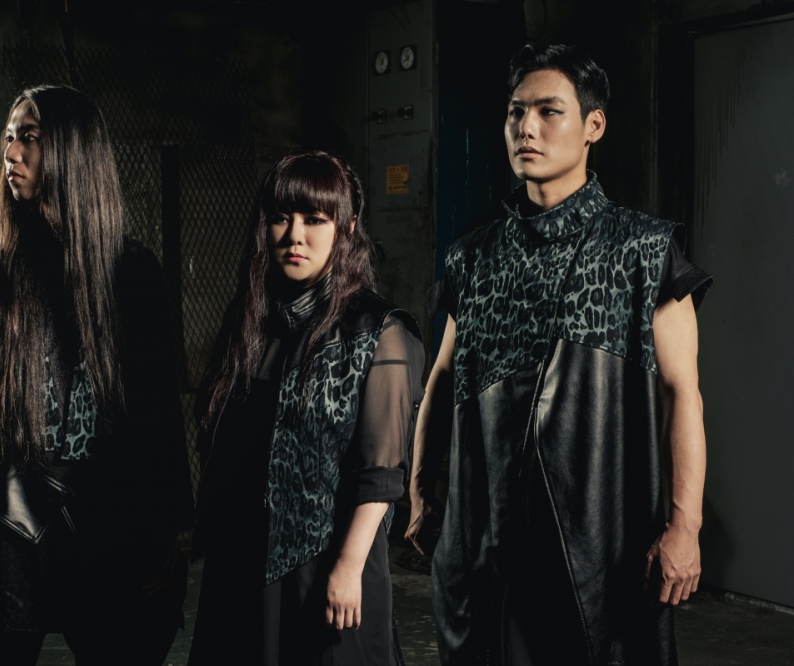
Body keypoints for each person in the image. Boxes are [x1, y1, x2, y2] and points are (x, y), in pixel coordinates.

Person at [406, 43, 712, 665]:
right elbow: (440, 378)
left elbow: (681, 393)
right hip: (486, 549)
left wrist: (685, 525)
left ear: (593, 125)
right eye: (516, 112)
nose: (527, 128)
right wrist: (418, 490)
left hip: (601, 551)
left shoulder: (643, 251)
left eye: (549, 112)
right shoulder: (472, 257)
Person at [0, 85, 193, 665]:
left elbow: (158, 415)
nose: (11, 152)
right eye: (10, 136)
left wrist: (166, 530)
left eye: (30, 138)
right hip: (0, 513)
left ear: (72, 154)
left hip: (108, 516)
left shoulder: (132, 271)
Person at [187, 151, 425, 664]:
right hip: (242, 559)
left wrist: (349, 566)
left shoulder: (378, 330)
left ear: (347, 228)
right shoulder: (248, 321)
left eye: (315, 219)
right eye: (281, 217)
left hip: (328, 563)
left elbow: (381, 473)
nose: (294, 235)